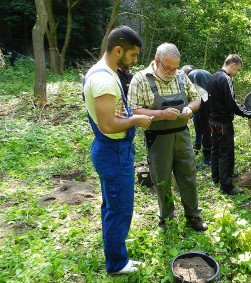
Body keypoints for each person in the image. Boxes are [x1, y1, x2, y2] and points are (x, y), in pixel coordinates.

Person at [83, 26, 152, 274]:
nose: (134, 61)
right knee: (120, 208)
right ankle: (117, 263)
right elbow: (108, 124)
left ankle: (115, 245)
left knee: (112, 205)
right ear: (118, 50)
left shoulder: (105, 73)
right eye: (133, 55)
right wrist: (136, 120)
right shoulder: (103, 79)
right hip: (113, 152)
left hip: (112, 150)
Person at [127, 43, 208, 232]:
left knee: (188, 176)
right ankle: (166, 218)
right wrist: (161, 114)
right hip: (157, 139)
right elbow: (133, 110)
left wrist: (190, 108)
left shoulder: (181, 75)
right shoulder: (140, 79)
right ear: (157, 60)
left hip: (182, 135)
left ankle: (193, 215)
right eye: (168, 67)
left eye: (175, 68)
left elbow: (196, 99)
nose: (172, 72)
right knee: (162, 179)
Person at [208, 54, 251, 195]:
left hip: (212, 121)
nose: (236, 73)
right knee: (226, 154)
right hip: (223, 123)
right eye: (238, 70)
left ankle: (216, 177)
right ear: (233, 65)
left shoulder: (212, 77)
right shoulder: (226, 78)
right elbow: (232, 103)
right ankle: (227, 186)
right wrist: (248, 114)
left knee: (215, 150)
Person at [181, 65, 212, 166]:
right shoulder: (205, 72)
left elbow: (192, 94)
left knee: (204, 129)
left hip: (204, 102)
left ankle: (208, 158)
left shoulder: (191, 75)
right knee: (201, 127)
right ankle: (198, 149)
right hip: (208, 102)